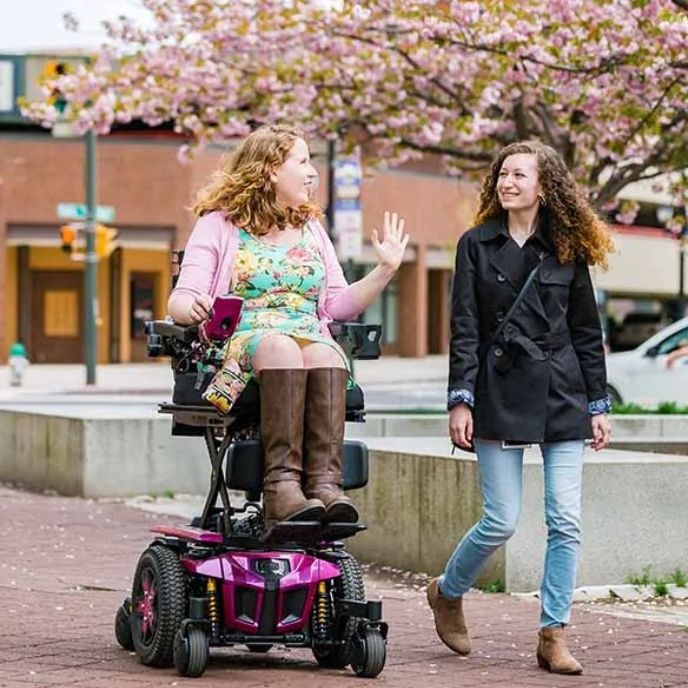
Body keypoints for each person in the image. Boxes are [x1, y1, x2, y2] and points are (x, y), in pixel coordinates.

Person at [427, 140, 613, 675]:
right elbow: (465, 328)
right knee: (501, 520)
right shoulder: (475, 245)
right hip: (499, 388)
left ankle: (553, 633)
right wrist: (460, 400)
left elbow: (585, 331)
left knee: (565, 518)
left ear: (543, 186)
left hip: (562, 392)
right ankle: (448, 591)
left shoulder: (566, 248)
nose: (507, 183)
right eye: (502, 174)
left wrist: (597, 405)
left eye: (519, 175)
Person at [168, 124, 409, 527]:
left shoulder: (311, 228)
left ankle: (326, 485)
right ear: (270, 170)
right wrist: (191, 305)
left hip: (305, 334)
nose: (313, 172)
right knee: (281, 345)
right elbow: (180, 298)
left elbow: (336, 304)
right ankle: (281, 487)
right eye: (302, 161)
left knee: (326, 351)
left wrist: (385, 270)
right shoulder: (218, 224)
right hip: (240, 341)